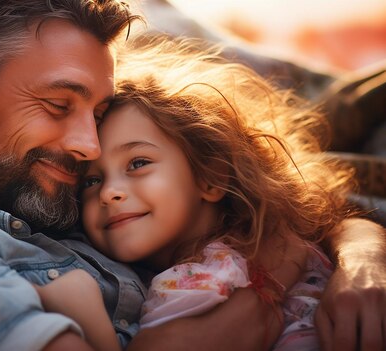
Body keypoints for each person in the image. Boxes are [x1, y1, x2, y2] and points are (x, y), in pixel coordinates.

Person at [0, 1, 386, 350]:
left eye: (98, 114)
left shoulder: (73, 212)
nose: (87, 147)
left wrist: (363, 260)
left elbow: (299, 208)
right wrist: (265, 289)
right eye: (59, 106)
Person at [36, 37, 360, 351]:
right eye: (91, 182)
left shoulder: (196, 281)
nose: (109, 193)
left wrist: (86, 316)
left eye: (138, 163)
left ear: (210, 177)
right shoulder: (287, 243)